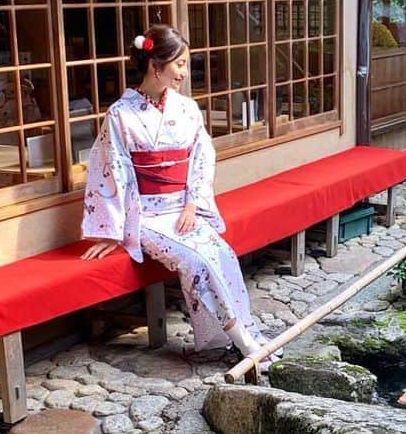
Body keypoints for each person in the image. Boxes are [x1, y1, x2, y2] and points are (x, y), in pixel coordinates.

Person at [80, 24, 272, 361]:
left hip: (183, 209)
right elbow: (112, 173)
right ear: (156, 65)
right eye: (179, 64)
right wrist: (110, 231)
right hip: (147, 216)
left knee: (222, 253)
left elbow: (201, 157)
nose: (185, 71)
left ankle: (236, 333)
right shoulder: (120, 115)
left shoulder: (187, 109)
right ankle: (243, 342)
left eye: (185, 64)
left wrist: (192, 204)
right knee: (195, 261)